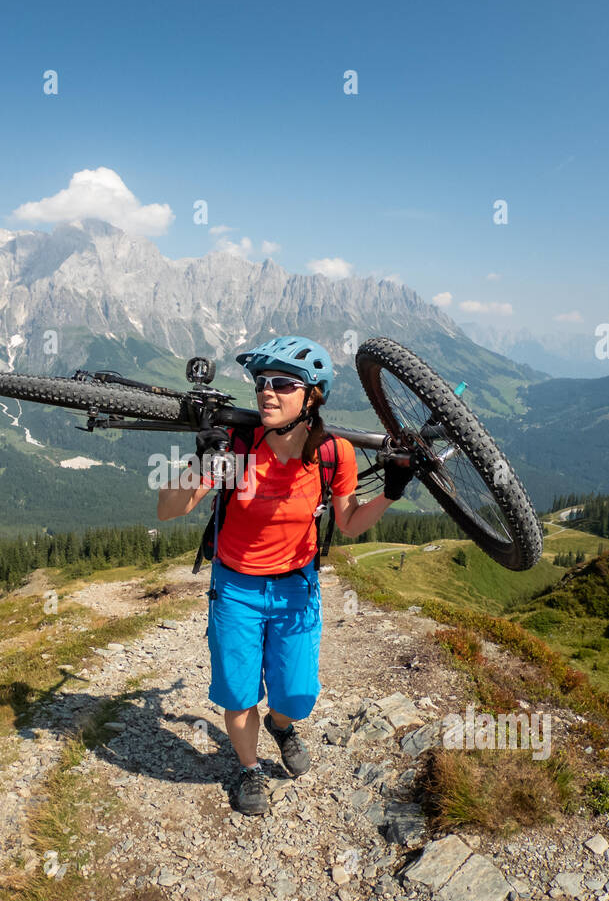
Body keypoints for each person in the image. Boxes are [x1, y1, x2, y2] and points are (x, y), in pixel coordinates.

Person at [156, 336, 415, 815]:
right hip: (236, 587)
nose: (266, 393)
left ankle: (282, 725)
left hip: (297, 587)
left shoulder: (335, 454)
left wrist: (392, 492)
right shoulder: (237, 445)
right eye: (261, 383)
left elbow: (352, 522)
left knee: (295, 697)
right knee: (237, 692)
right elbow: (167, 509)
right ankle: (250, 770)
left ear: (312, 396)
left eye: (283, 384)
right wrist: (201, 462)